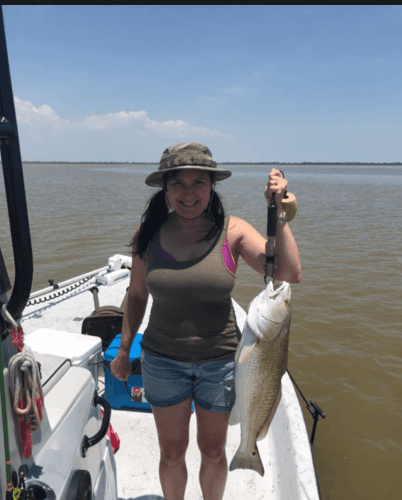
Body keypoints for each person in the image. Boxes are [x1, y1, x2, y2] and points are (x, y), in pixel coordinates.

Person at [110, 142, 301, 500]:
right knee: (171, 453)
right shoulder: (148, 234)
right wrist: (123, 350)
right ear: (164, 188)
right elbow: (136, 295)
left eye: (199, 182)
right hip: (162, 360)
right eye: (178, 184)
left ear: (212, 186)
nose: (188, 193)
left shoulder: (233, 232)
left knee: (213, 452)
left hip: (221, 364)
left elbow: (288, 273)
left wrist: (279, 212)